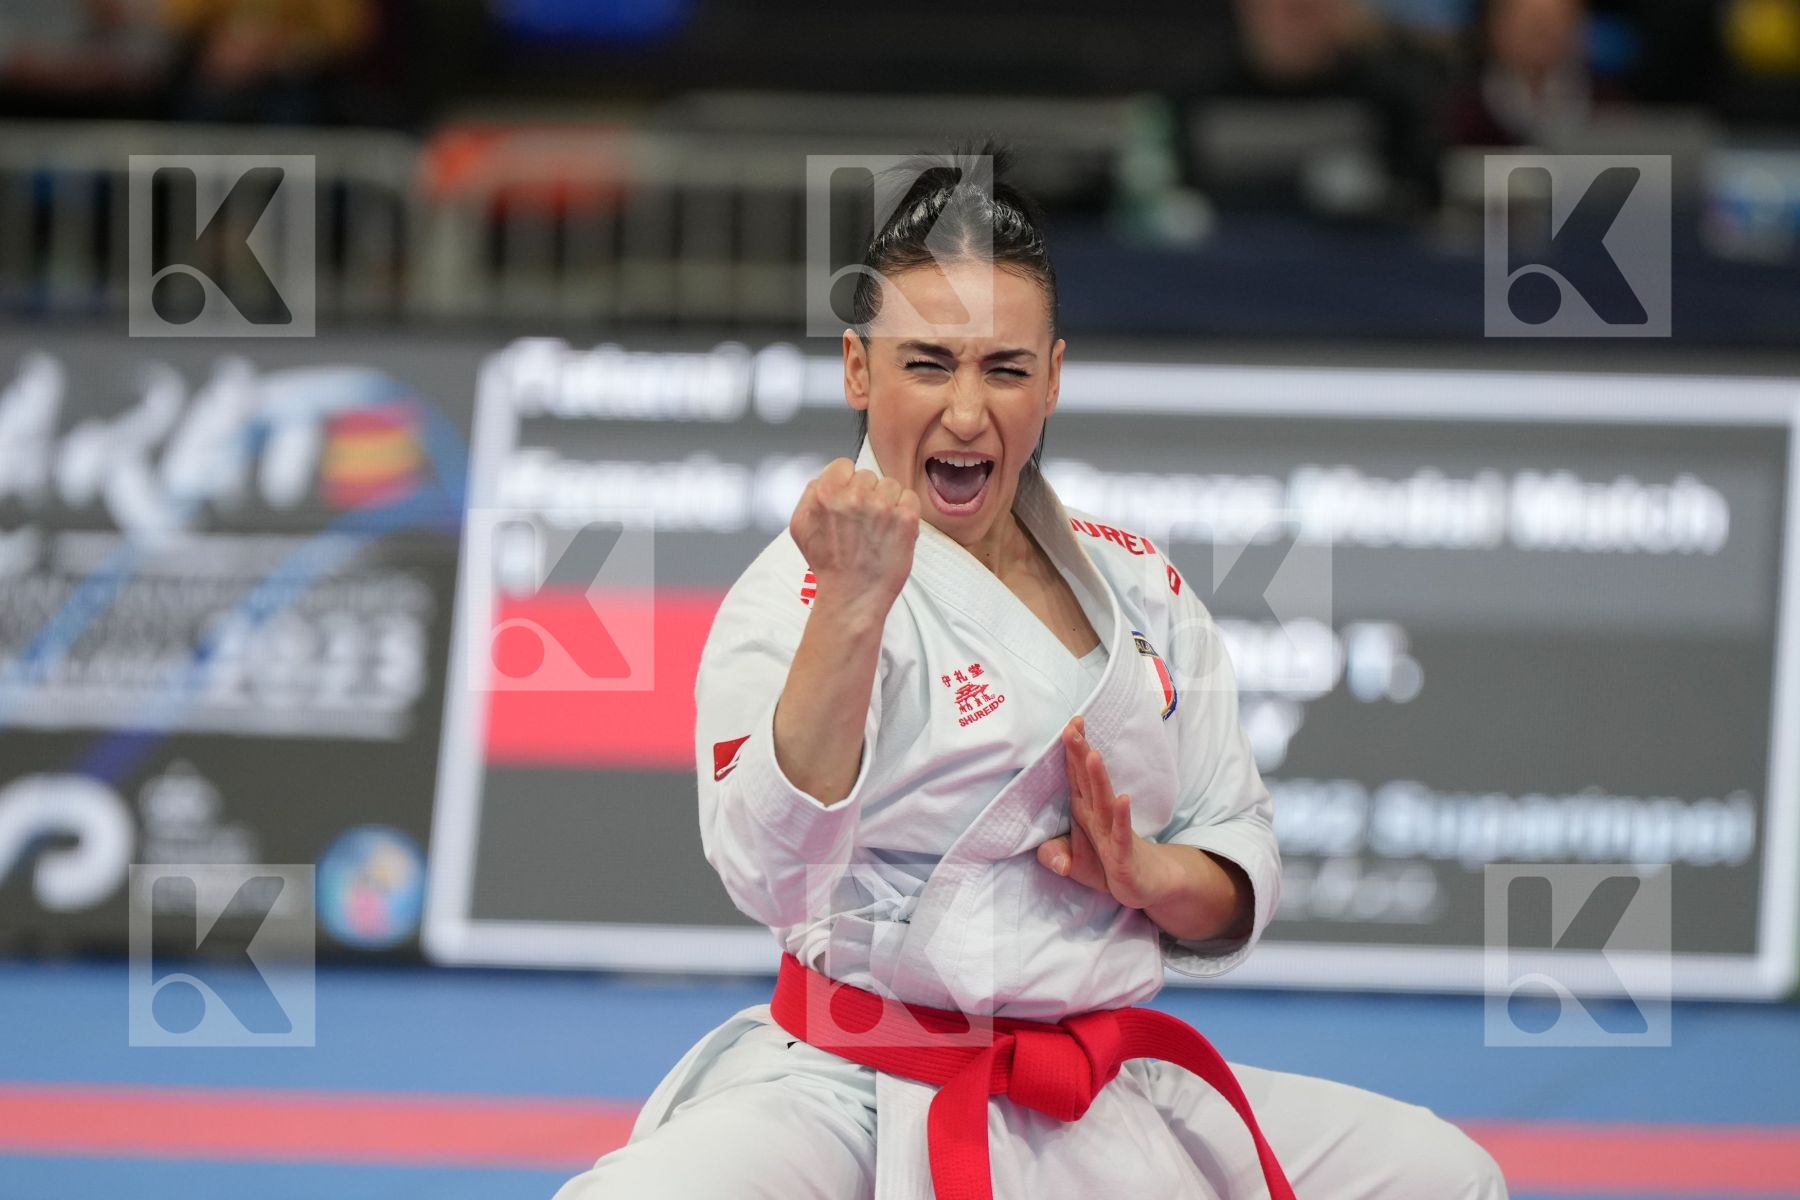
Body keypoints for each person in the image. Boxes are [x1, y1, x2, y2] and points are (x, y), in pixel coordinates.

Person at [553, 150, 1508, 1200]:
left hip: (1093, 1081)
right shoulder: (789, 596)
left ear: (1052, 378)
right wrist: (855, 608)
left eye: (1003, 369)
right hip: (852, 1082)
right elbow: (769, 873)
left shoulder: (1137, 582)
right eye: (928, 364)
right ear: (858, 370)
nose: (969, 413)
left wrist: (1148, 877)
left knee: (1440, 1175)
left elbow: (1239, 841)